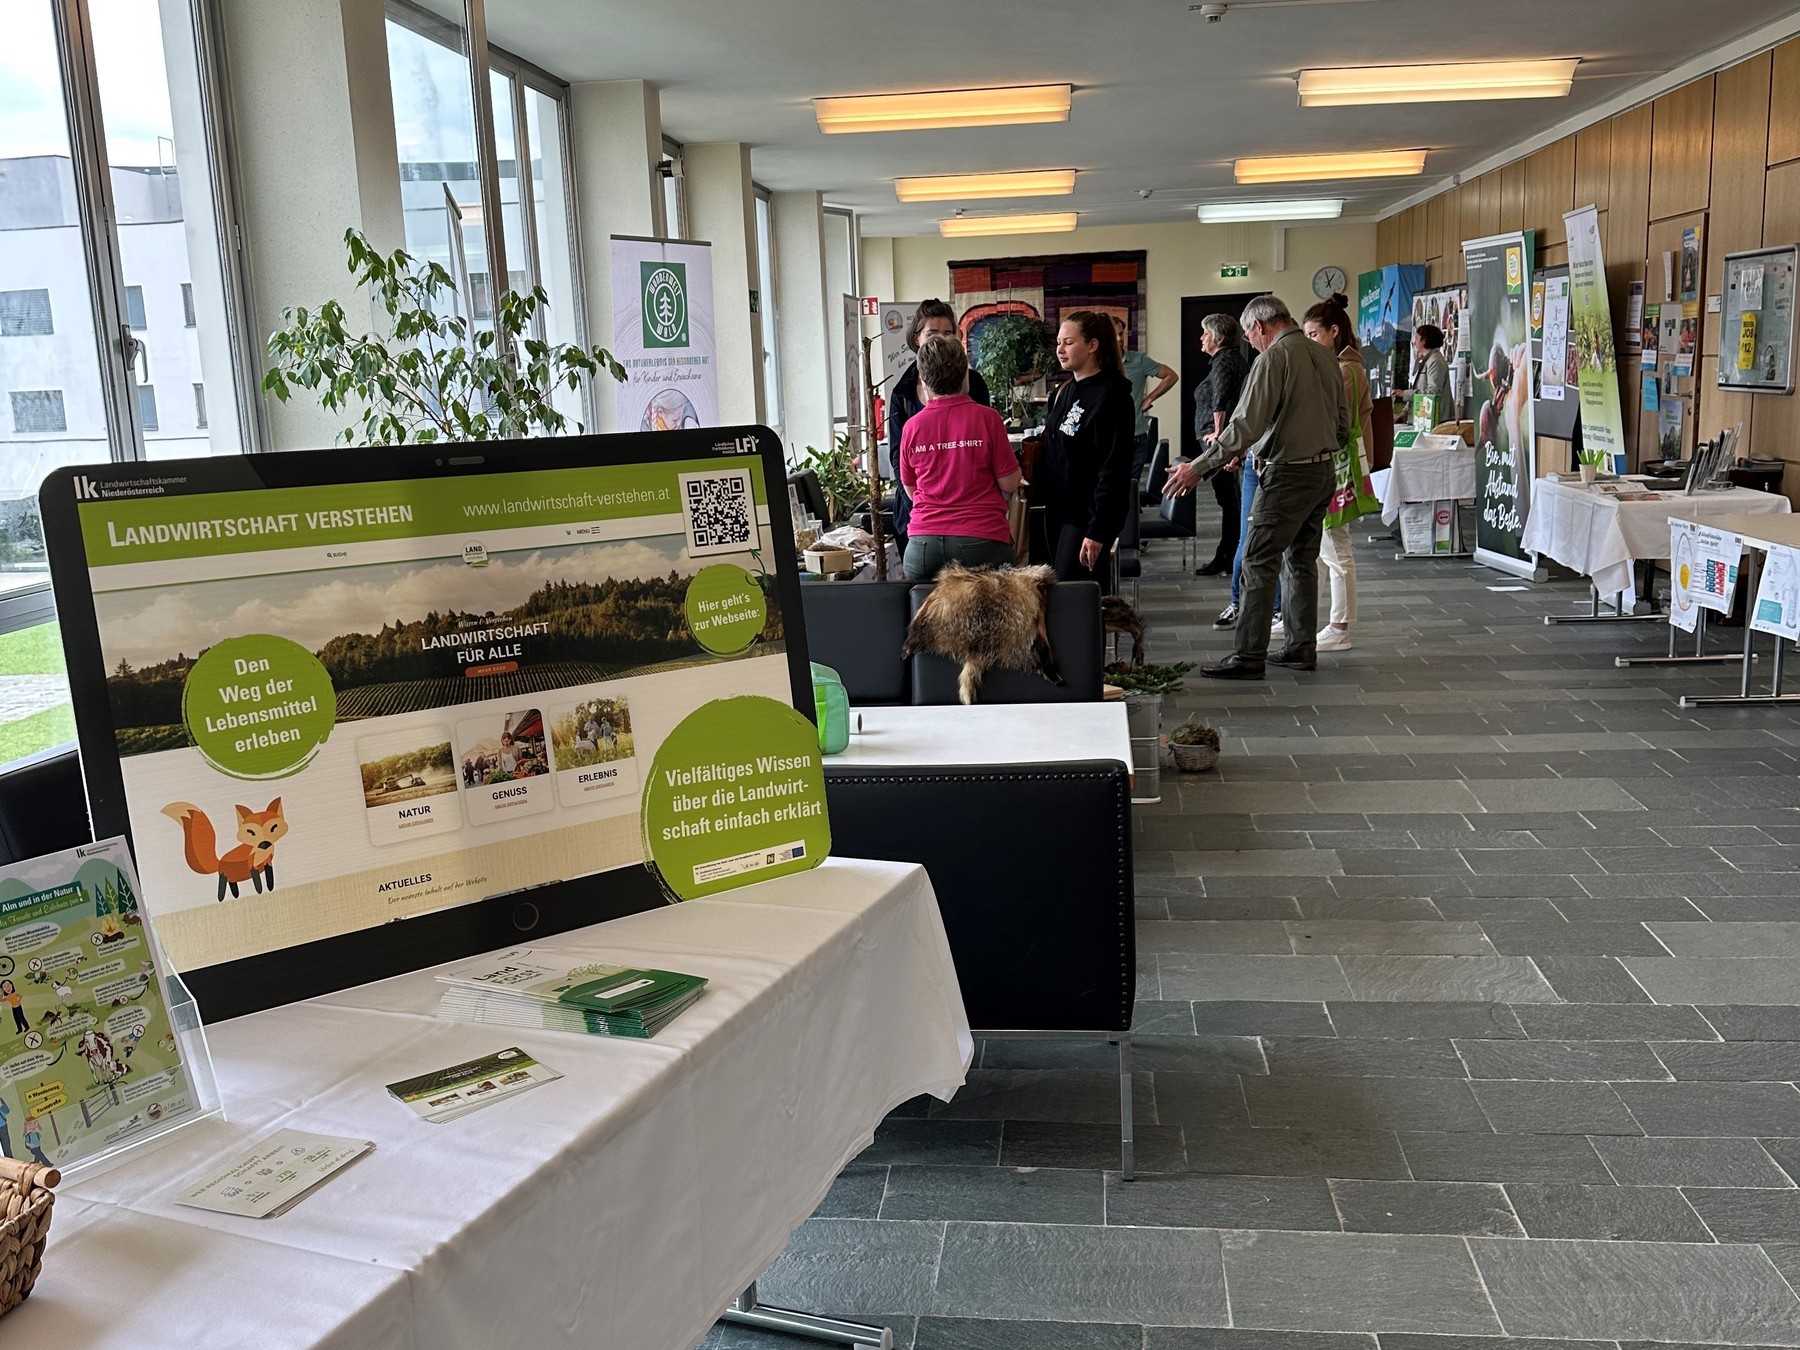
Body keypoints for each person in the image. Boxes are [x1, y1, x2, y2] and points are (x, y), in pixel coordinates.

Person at [1164, 294, 1347, 679]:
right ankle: (1300, 648)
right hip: (1322, 471)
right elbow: (1343, 425)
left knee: (1257, 560)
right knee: (1301, 561)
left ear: (1260, 326)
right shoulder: (1326, 356)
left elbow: (1244, 425)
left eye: (1250, 335)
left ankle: (1248, 655)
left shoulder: (1273, 358)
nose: (1250, 343)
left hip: (1287, 475)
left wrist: (1197, 468)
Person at [899, 334, 1021, 581]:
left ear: (924, 379)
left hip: (923, 547)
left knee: (926, 615)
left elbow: (911, 489)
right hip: (981, 541)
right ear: (965, 374)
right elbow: (1010, 483)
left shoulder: (912, 427)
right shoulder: (988, 418)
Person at [1036, 311, 1136, 586]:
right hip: (1056, 509)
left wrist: (1098, 530)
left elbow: (1114, 469)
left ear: (1093, 345)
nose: (1060, 349)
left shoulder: (1112, 396)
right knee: (1056, 592)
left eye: (1068, 342)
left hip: (1087, 514)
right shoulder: (1063, 391)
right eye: (1058, 342)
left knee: (1075, 596)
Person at [1302, 295, 1378, 653]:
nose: (1310, 341)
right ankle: (1310, 619)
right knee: (1320, 547)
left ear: (1334, 331)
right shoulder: (1341, 366)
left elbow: (1336, 420)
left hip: (1338, 465)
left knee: (1335, 546)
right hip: (1333, 462)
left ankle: (1340, 626)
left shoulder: (1346, 370)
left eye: (1314, 334)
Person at [886, 300, 993, 544]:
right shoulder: (902, 392)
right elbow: (897, 457)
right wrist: (916, 502)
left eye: (948, 333)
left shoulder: (973, 384)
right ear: (917, 339)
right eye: (932, 333)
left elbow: (988, 446)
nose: (941, 340)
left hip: (971, 517)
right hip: (918, 515)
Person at [1187, 312, 1250, 583]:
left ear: (1220, 338)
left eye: (1206, 333)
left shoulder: (1225, 361)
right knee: (1230, 501)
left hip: (1222, 445)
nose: (1201, 338)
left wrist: (1219, 436)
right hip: (1224, 443)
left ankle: (1228, 557)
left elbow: (1221, 399)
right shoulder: (1225, 360)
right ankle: (1227, 555)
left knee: (1230, 502)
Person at [1111, 315, 1177, 483]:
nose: (1119, 339)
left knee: (1130, 490)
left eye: (1121, 334)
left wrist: (1149, 398)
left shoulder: (1138, 360)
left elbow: (1171, 376)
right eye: (1114, 334)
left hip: (1135, 437)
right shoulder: (1094, 364)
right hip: (1107, 440)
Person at [1411, 323, 1452, 422]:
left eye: (1417, 338)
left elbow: (1433, 392)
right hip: (1427, 417)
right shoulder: (1426, 360)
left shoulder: (1435, 361)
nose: (1414, 342)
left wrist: (1405, 394)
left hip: (1436, 419)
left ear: (1424, 340)